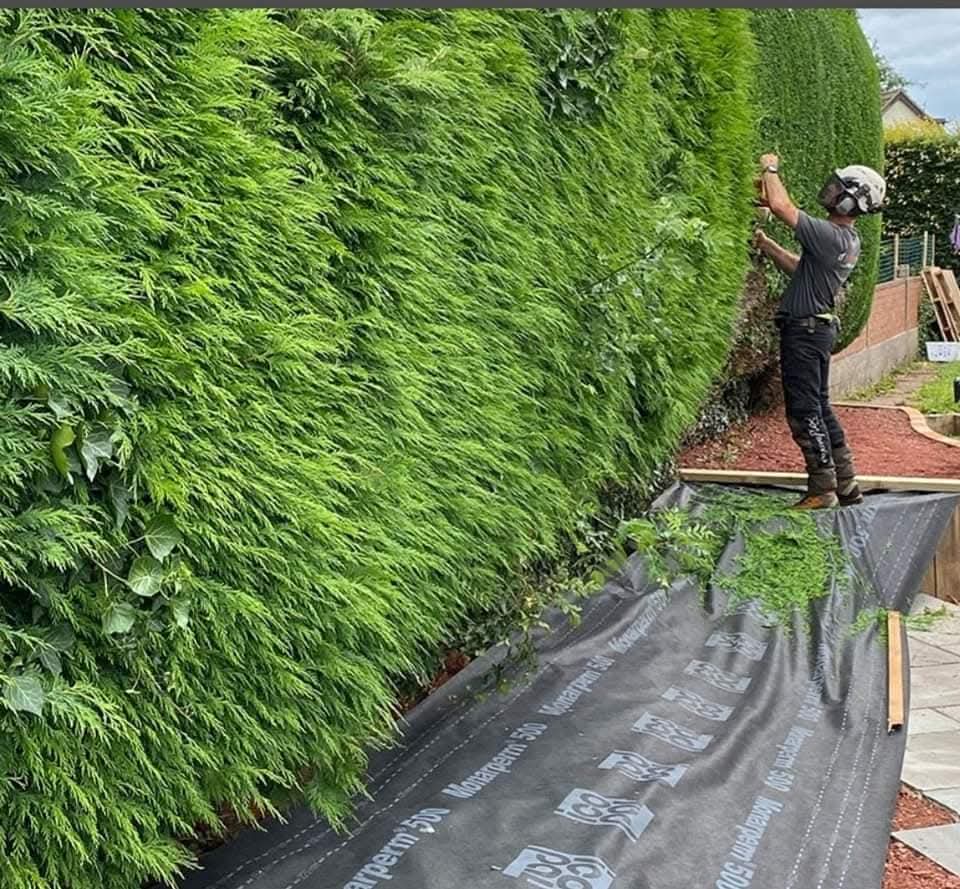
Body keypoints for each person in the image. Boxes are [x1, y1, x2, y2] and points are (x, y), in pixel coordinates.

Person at [753, 154, 886, 509]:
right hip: (817, 330)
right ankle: (846, 485)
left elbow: (781, 206)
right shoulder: (846, 240)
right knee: (821, 408)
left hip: (804, 332)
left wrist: (769, 168)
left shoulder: (830, 234)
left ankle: (822, 489)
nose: (830, 191)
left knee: (804, 411)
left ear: (851, 201)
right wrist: (767, 245)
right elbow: (801, 268)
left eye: (839, 189)